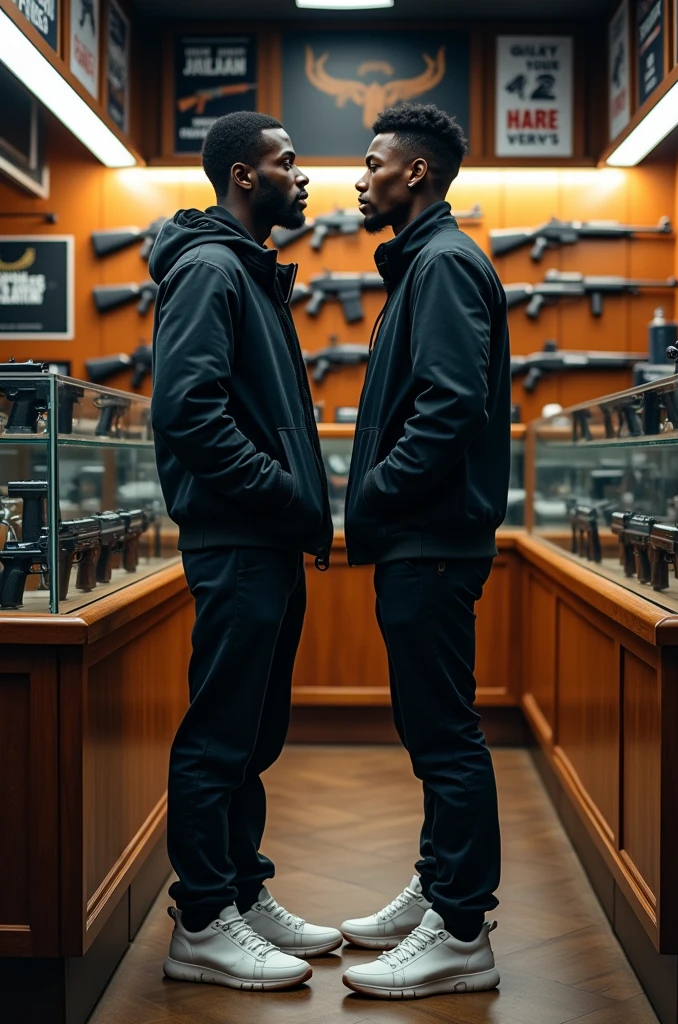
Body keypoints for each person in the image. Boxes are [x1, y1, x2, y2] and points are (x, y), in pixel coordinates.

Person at [150, 111, 341, 993]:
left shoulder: (249, 271)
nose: (302, 178)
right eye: (287, 163)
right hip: (237, 537)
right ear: (242, 176)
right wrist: (285, 492)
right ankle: (201, 919)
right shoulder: (211, 270)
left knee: (252, 737)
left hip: (263, 538)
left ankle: (240, 890)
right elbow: (188, 412)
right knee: (217, 738)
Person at [341, 103, 511, 999]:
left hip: (431, 535)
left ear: (417, 175)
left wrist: (375, 492)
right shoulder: (427, 262)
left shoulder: (441, 264)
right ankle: (440, 886)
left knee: (444, 736)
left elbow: (447, 407)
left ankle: (460, 928)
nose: (358, 178)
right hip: (426, 533)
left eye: (373, 163)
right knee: (431, 730)